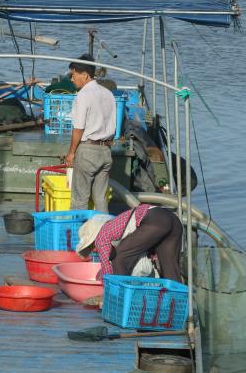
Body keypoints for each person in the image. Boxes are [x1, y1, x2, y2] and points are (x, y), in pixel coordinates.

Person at [76, 205, 184, 282]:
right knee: (171, 270)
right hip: (173, 219)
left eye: (91, 247)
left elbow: (107, 271)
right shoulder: (116, 226)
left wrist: (105, 290)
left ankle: (120, 303)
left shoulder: (101, 236)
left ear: (93, 239)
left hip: (154, 220)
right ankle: (177, 307)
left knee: (120, 258)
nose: (95, 250)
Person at [63, 56, 116, 212]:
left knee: (80, 199)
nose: (72, 79)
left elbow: (78, 128)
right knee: (101, 199)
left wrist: (71, 153)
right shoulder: (108, 94)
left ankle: (77, 235)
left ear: (85, 75)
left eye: (74, 75)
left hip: (88, 151)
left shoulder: (83, 95)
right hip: (106, 151)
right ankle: (105, 234)